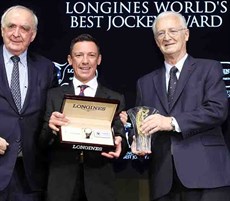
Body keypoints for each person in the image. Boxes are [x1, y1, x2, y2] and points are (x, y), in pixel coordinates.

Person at [120, 11, 230, 201]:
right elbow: (141, 125)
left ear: (186, 34)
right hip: (164, 181)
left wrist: (171, 122)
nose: (167, 37)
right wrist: (136, 141)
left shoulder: (209, 68)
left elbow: (217, 110)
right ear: (156, 41)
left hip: (208, 176)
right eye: (161, 33)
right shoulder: (145, 83)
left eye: (172, 31)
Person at [39, 33, 127, 201]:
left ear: (99, 59)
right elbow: (42, 144)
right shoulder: (53, 96)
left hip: (100, 185)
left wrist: (120, 145)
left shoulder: (115, 98)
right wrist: (51, 130)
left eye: (91, 55)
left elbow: (120, 139)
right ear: (70, 60)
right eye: (79, 55)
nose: (85, 61)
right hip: (61, 186)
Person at [0, 5, 58, 201]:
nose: (17, 33)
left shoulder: (46, 68)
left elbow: (49, 116)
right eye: (11, 26)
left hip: (30, 176)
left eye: (24, 28)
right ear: (2, 30)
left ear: (32, 35)